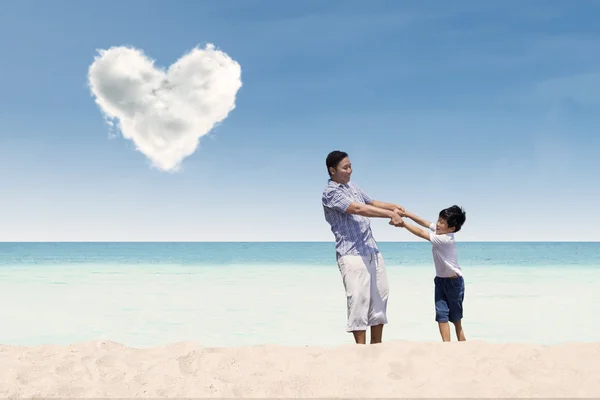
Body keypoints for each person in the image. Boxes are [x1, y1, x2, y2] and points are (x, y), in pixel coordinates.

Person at [321, 150, 405, 345]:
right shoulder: (331, 192)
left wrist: (395, 207)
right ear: (332, 170)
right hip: (351, 254)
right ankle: (360, 351)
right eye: (345, 168)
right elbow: (358, 208)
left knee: (380, 298)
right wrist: (389, 215)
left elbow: (371, 202)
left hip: (371, 251)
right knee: (358, 300)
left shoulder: (352, 186)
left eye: (350, 166)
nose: (350, 171)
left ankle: (376, 347)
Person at [391, 205, 467, 342]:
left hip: (454, 283)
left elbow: (421, 232)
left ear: (451, 229)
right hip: (440, 281)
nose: (438, 224)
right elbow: (424, 223)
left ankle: (463, 344)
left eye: (442, 223)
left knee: (456, 319)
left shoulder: (445, 239)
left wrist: (402, 223)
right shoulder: (440, 231)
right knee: (441, 315)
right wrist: (406, 213)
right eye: (439, 220)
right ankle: (447, 346)